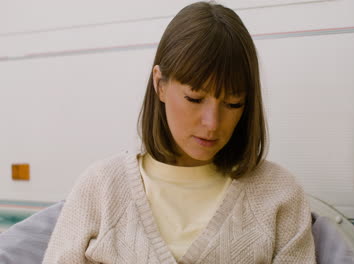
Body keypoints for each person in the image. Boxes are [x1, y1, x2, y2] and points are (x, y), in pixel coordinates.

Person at [42, 2, 316, 263]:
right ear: (160, 84)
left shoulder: (279, 193)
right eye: (195, 99)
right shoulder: (101, 186)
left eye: (233, 104)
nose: (212, 123)